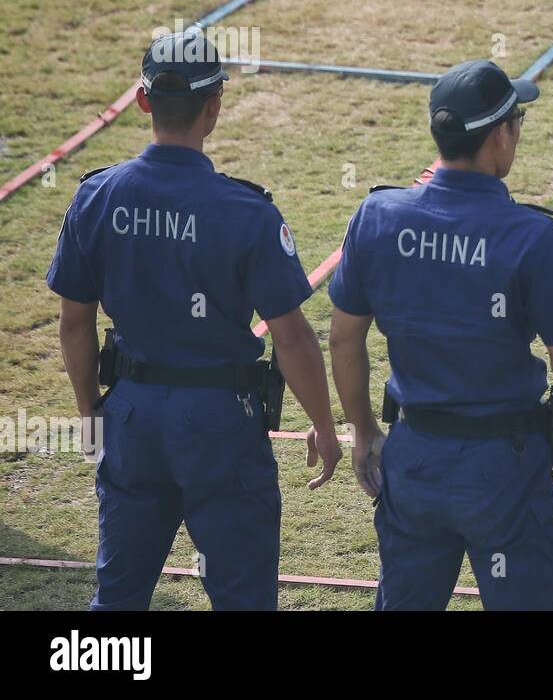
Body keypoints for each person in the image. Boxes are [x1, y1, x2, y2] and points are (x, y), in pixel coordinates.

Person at [46, 30, 341, 611]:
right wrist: (325, 427)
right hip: (220, 424)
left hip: (130, 416)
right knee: (242, 598)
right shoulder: (246, 211)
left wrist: (90, 415)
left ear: (142, 100)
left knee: (120, 596)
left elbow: (74, 322)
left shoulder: (96, 197)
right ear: (216, 106)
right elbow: (293, 338)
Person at [329, 59, 553, 611]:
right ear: (500, 135)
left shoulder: (377, 217)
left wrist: (362, 431)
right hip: (504, 466)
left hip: (415, 456)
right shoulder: (529, 236)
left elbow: (343, 339)